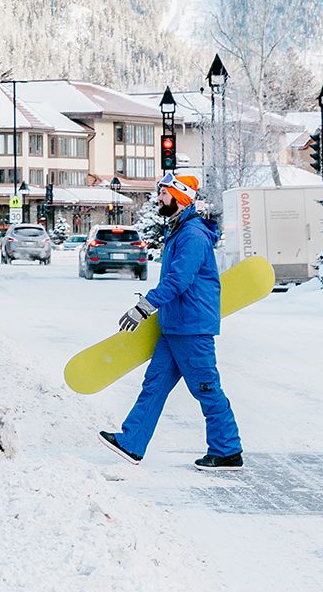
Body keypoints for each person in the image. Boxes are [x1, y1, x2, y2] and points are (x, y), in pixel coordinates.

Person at [99, 174, 242, 469]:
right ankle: (131, 442)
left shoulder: (192, 235)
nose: (159, 198)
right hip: (175, 326)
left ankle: (227, 449)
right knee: (154, 385)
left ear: (182, 197)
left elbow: (179, 279)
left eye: (164, 193)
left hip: (191, 327)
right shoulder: (180, 230)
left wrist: (144, 307)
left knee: (206, 388)